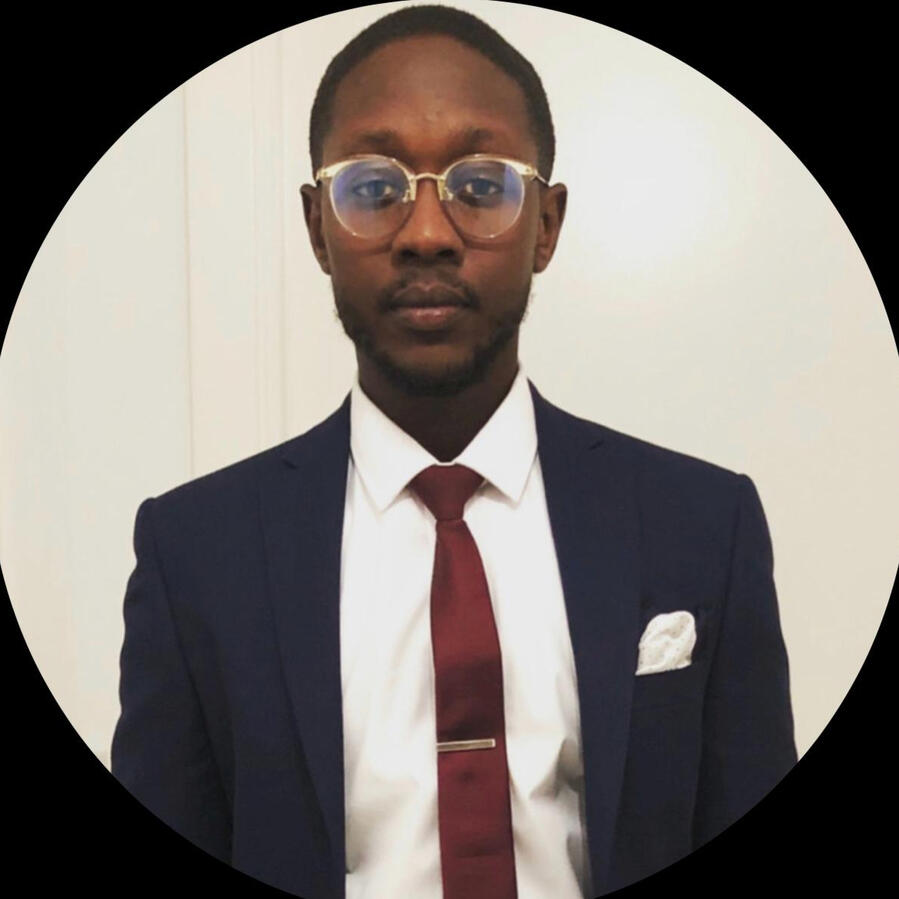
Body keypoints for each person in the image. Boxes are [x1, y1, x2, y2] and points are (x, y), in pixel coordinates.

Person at [110, 5, 797, 898]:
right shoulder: (196, 553)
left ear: (545, 224)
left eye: (479, 186)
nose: (426, 233)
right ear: (317, 227)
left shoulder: (702, 525)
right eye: (373, 188)